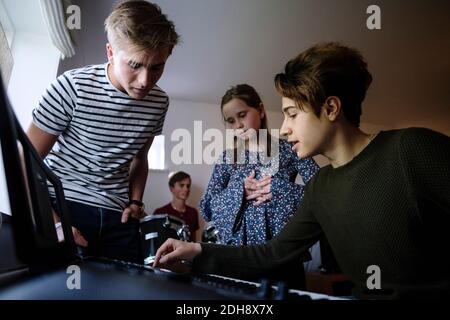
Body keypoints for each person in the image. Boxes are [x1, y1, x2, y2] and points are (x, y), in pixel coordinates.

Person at [154, 42, 450, 299]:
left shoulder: (412, 148)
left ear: (331, 108)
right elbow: (270, 253)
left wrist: (280, 189)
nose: (283, 129)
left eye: (292, 114)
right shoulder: (320, 187)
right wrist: (198, 251)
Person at [26, 1, 179, 263]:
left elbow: (140, 159)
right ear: (110, 52)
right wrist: (56, 223)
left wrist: (135, 203)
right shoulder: (71, 87)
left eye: (156, 67)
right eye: (135, 64)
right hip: (64, 205)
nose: (145, 81)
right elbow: (25, 161)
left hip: (117, 215)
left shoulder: (159, 102)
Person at [198, 84, 319, 288]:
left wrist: (280, 190)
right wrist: (239, 192)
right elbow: (207, 207)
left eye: (242, 114)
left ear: (261, 110)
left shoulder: (290, 148)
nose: (238, 125)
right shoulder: (227, 158)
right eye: (230, 120)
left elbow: (322, 191)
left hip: (283, 251)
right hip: (237, 254)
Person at [153, 171, 200, 241]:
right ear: (171, 188)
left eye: (188, 186)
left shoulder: (193, 212)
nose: (186, 189)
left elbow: (193, 240)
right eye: (181, 185)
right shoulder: (160, 213)